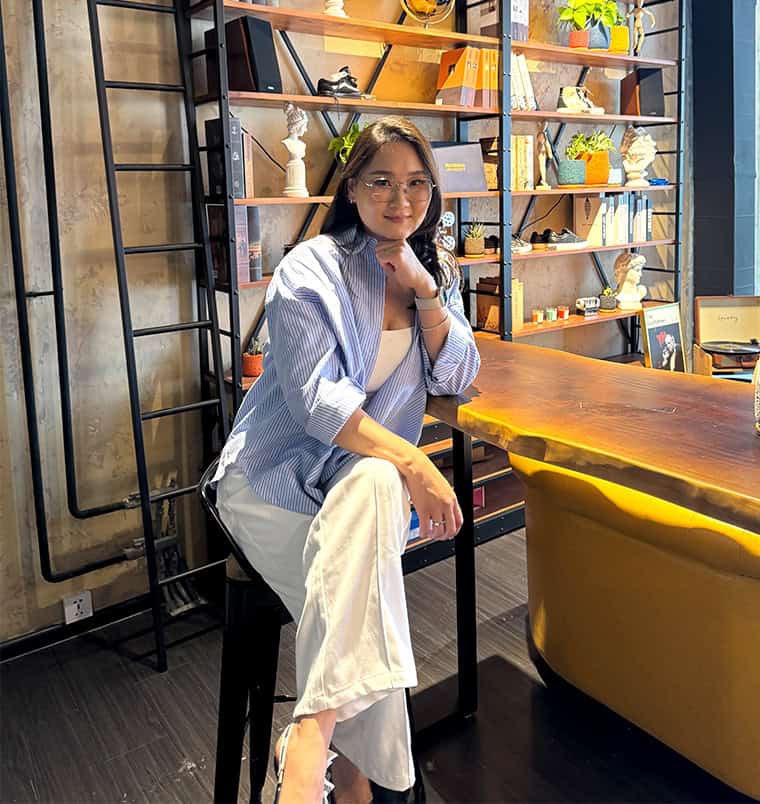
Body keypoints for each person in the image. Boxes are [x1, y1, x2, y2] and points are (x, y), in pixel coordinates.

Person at [213, 116, 480, 803]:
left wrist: (424, 293)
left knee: (365, 505)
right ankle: (358, 782)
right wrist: (418, 467)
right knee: (366, 590)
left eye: (418, 183)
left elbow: (457, 372)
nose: (402, 200)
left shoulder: (434, 271)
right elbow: (316, 406)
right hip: (271, 483)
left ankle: (310, 744)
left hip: (358, 491)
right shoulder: (312, 267)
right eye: (382, 181)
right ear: (352, 188)